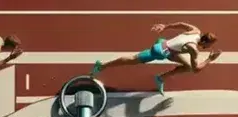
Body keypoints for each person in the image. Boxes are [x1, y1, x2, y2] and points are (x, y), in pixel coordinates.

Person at [90, 22, 221, 95]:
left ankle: (160, 78)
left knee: (186, 66)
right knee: (133, 59)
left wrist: (166, 26)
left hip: (168, 48)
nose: (209, 47)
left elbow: (181, 24)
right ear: (206, 43)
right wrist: (210, 59)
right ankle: (101, 65)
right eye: (210, 46)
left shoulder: (195, 30)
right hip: (160, 51)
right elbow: (196, 69)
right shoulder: (193, 49)